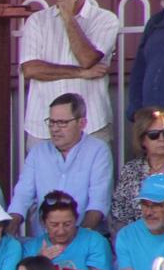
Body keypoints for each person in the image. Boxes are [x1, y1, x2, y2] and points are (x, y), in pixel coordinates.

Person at [19, 0, 120, 150]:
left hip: (91, 123)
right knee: (44, 181)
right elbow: (31, 69)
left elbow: (88, 58)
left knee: (92, 180)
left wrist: (67, 16)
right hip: (43, 127)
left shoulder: (105, 19)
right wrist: (81, 73)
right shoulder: (37, 21)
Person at [9, 92, 113, 236]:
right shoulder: (37, 152)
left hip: (86, 239)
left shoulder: (98, 150)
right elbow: (22, 197)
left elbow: (98, 204)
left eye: (62, 123)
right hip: (44, 241)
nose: (55, 129)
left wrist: (76, 241)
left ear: (82, 123)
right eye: (51, 122)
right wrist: (8, 231)